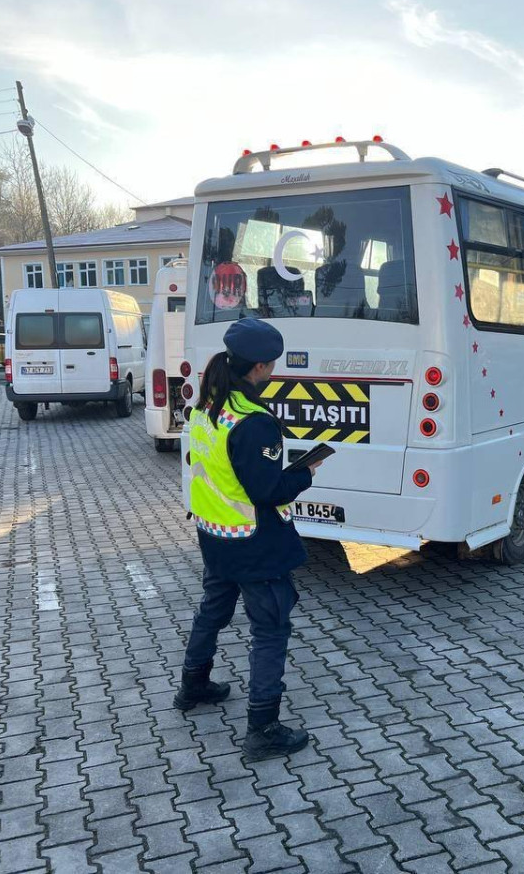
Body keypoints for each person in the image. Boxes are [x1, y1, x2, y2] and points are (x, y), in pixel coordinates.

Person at [173, 318, 324, 762]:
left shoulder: (207, 407)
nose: (273, 371)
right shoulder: (254, 422)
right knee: (271, 629)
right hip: (255, 546)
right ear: (260, 367)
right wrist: (304, 474)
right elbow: (267, 490)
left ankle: (194, 685)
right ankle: (263, 727)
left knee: (212, 613)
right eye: (272, 365)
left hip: (215, 537)